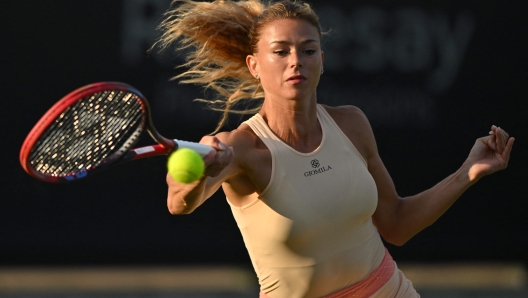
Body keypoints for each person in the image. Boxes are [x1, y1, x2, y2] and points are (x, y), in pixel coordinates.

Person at [156, 0, 515, 297]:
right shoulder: (242, 148)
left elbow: (397, 224)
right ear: (254, 66)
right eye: (280, 51)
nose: (296, 60)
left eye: (308, 50)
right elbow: (178, 203)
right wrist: (196, 172)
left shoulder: (351, 123)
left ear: (322, 61)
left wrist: (467, 172)